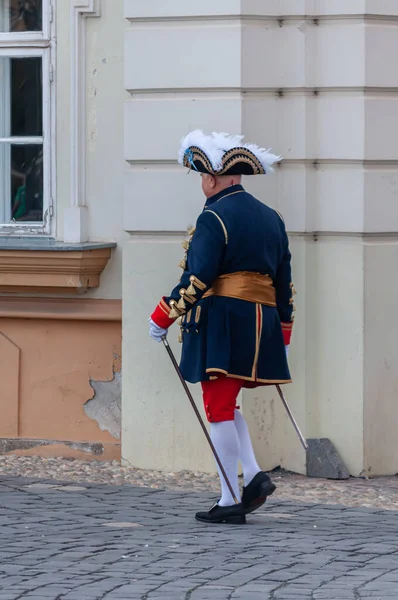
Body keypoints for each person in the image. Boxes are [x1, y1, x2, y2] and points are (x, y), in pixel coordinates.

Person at [149, 131, 295, 525]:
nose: (202, 184)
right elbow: (284, 281)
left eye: (201, 177)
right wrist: (283, 330)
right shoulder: (272, 217)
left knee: (216, 408)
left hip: (224, 321)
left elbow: (198, 277)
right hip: (261, 322)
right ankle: (253, 476)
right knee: (227, 405)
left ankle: (231, 497)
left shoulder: (213, 216)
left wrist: (163, 315)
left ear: (212, 178)